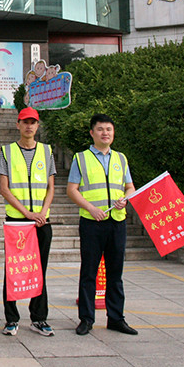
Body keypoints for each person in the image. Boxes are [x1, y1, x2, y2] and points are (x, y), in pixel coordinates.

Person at [66, 113, 138, 336]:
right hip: (92, 222)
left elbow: (130, 187)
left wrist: (125, 199)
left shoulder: (121, 158)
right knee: (89, 271)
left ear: (113, 133)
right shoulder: (81, 158)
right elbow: (72, 190)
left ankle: (116, 318)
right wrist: (91, 208)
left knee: (116, 273)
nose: (105, 133)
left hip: (117, 222)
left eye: (109, 129)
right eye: (100, 129)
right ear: (92, 133)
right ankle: (86, 319)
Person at [0, 107, 56, 337]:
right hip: (17, 223)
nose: (29, 126)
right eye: (25, 122)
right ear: (18, 125)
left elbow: (51, 187)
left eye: (33, 122)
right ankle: (11, 319)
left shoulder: (46, 151)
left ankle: (39, 318)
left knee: (40, 270)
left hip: (41, 222)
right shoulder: (7, 152)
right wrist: (27, 213)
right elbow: (4, 189)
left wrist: (41, 212)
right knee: (13, 271)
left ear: (38, 126)